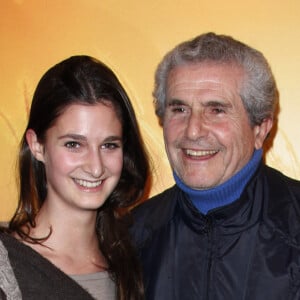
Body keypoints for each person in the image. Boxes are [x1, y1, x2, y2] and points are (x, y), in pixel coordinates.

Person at [130, 32, 300, 299]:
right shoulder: (129, 239)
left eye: (216, 110)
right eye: (179, 109)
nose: (194, 130)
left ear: (260, 129)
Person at [0, 55, 149, 300]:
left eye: (109, 145)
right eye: (73, 144)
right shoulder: (7, 263)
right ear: (37, 145)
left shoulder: (140, 260)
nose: (95, 167)